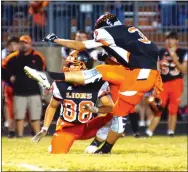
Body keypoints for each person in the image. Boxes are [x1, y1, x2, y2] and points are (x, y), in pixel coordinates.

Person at [24, 13, 162, 154]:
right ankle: (50, 76)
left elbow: (80, 45)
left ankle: (105, 149)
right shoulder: (131, 30)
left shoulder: (106, 32)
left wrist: (57, 39)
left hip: (138, 77)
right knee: (100, 71)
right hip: (137, 72)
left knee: (118, 116)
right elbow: (146, 53)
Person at [32, 50, 114, 154]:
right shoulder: (61, 84)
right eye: (68, 64)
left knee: (117, 114)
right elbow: (52, 106)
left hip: (87, 126)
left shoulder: (96, 84)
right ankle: (57, 143)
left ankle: (96, 143)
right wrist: (45, 127)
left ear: (84, 67)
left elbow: (110, 107)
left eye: (72, 64)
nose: (68, 67)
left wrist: (97, 109)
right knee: (56, 153)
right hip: (67, 128)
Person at [2, 35, 46, 137]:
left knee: (35, 117)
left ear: (30, 44)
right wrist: (9, 78)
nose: (24, 45)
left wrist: (45, 88)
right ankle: (20, 136)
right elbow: (2, 68)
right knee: (19, 117)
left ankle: (37, 136)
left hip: (34, 91)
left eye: (26, 43)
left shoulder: (38, 57)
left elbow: (44, 72)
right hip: (19, 92)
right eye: (22, 43)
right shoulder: (12, 57)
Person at [146, 31, 188, 137]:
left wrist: (174, 57)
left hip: (176, 82)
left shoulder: (183, 52)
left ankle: (171, 132)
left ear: (177, 40)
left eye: (172, 38)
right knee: (157, 107)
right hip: (163, 83)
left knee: (173, 109)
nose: (170, 41)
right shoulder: (161, 52)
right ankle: (149, 132)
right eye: (168, 38)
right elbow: (157, 69)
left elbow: (184, 70)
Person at [2, 36, 20, 137]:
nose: (14, 46)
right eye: (12, 44)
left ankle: (19, 129)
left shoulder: (22, 55)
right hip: (9, 85)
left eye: (15, 44)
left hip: (21, 87)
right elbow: (3, 69)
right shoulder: (6, 55)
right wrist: (10, 77)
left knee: (21, 109)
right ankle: (11, 129)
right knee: (9, 107)